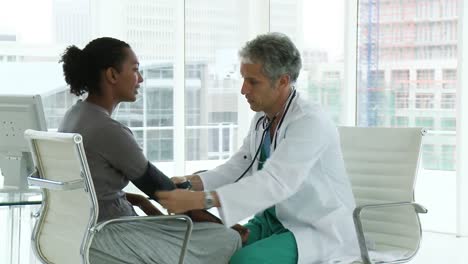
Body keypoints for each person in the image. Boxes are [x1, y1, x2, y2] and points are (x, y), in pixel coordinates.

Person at [156, 32, 359, 263]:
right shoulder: (264, 118)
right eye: (243, 79)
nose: (243, 90)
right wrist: (191, 182)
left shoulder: (310, 121)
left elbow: (276, 181)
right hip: (271, 221)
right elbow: (239, 165)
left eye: (253, 82)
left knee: (245, 261)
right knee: (213, 249)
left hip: (316, 228)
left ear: (283, 81)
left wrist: (200, 200)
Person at [58, 37, 241, 264]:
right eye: (135, 70)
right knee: (226, 238)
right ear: (112, 75)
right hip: (111, 237)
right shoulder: (108, 130)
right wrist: (228, 225)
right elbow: (164, 193)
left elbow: (94, 188)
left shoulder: (74, 116)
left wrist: (143, 203)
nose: (141, 79)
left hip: (83, 232)